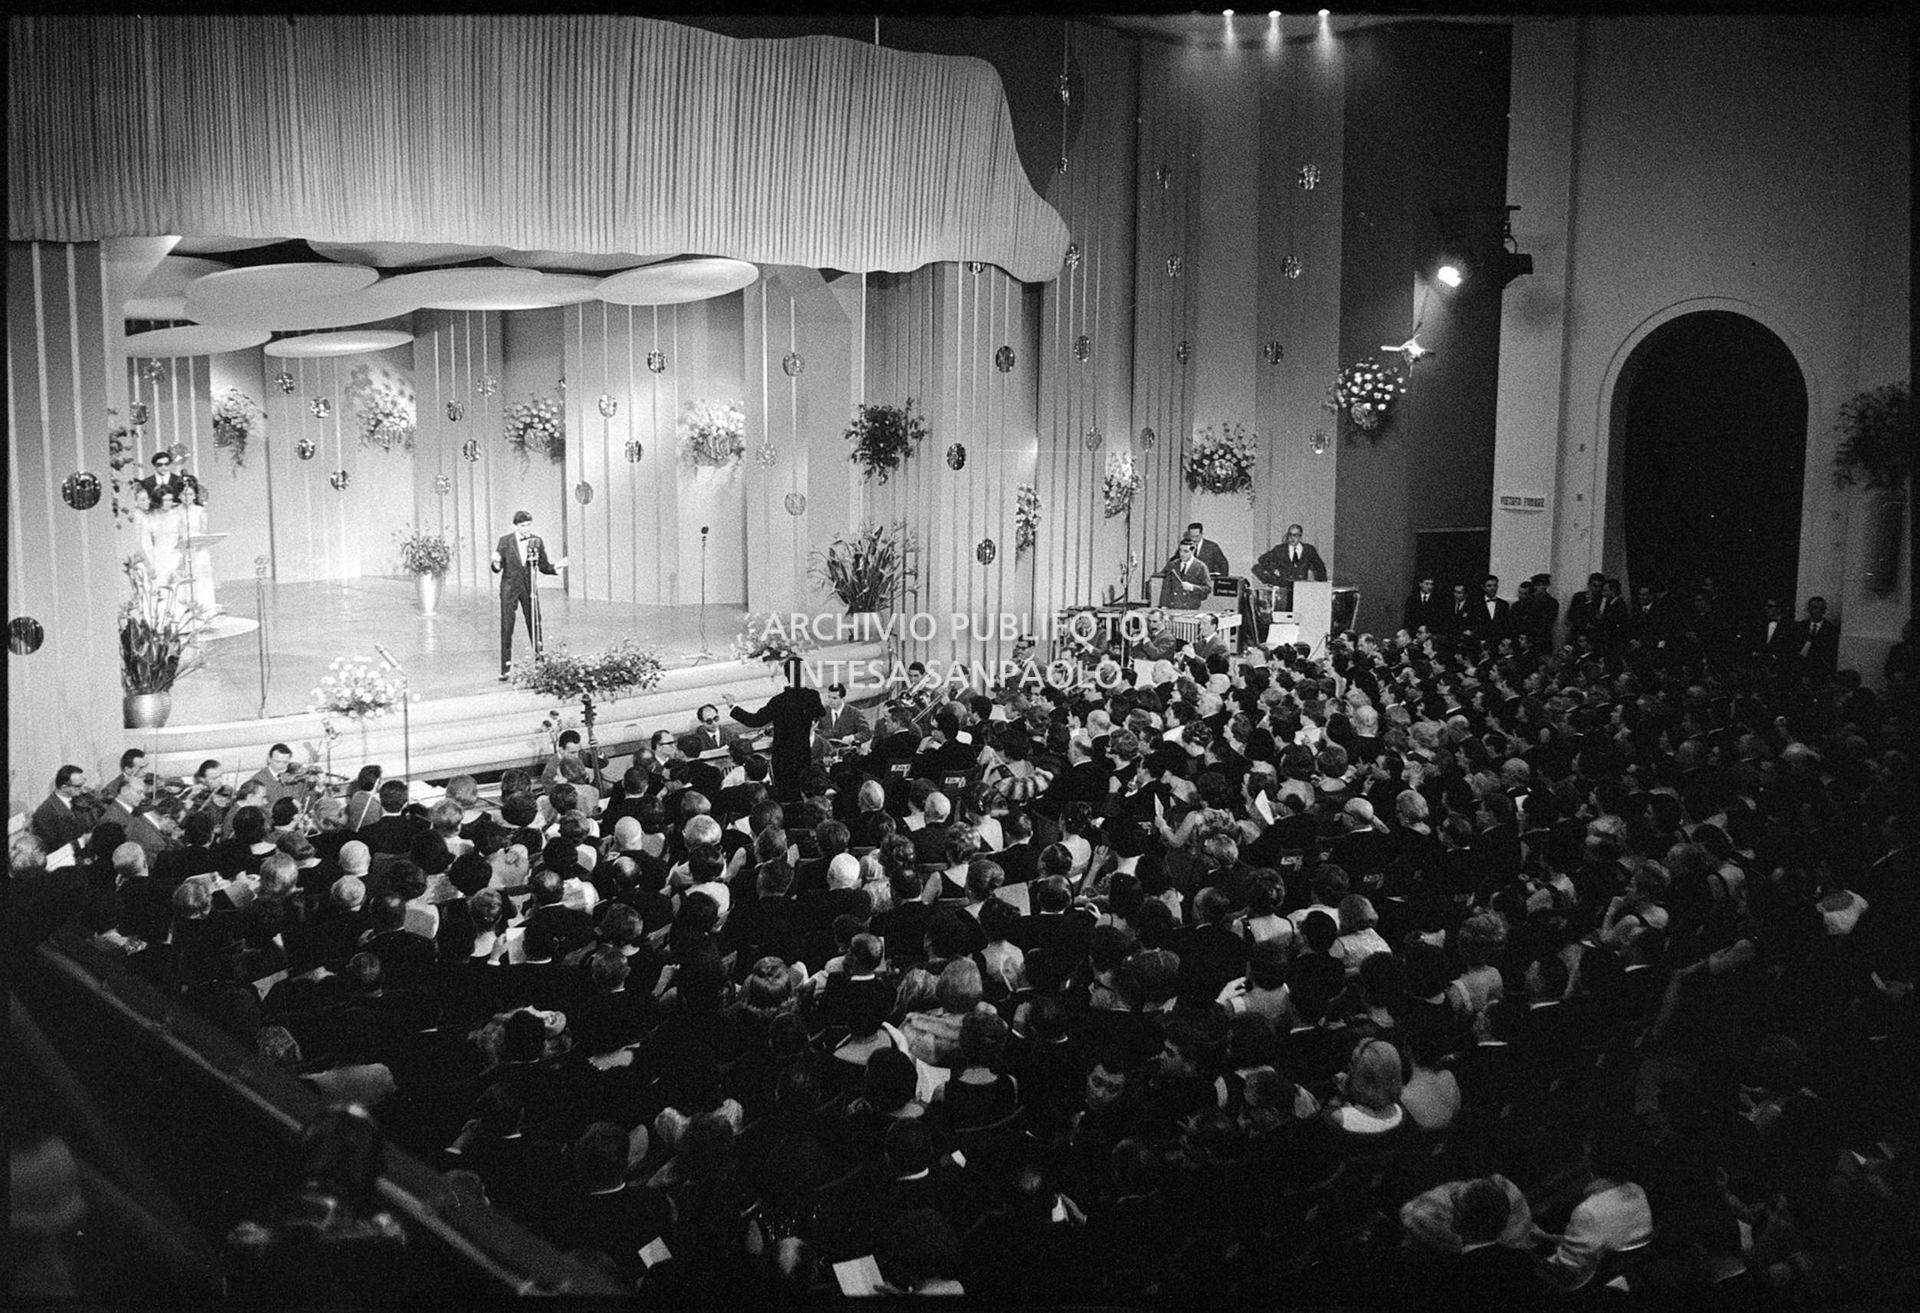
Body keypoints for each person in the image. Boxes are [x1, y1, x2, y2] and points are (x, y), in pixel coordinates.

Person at [724, 657, 825, 802]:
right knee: (803, 794)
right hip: (803, 754)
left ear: (786, 675)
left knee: (785, 797)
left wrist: (732, 706)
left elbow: (754, 720)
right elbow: (821, 713)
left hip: (782, 758)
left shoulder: (778, 701)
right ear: (804, 674)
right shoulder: (812, 696)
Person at [491, 510, 565, 680]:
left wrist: (556, 567)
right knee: (507, 626)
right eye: (523, 526)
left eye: (529, 525)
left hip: (529, 588)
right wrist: (495, 562)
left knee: (535, 623)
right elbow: (497, 568)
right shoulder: (505, 541)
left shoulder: (537, 541)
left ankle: (540, 664)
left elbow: (544, 566)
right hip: (509, 588)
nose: (526, 528)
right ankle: (505, 669)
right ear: (516, 526)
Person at [32, 765, 92, 855]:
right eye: (78, 786)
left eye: (83, 782)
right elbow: (53, 849)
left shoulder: (77, 797)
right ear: (64, 788)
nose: (83, 789)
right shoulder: (44, 813)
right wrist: (82, 841)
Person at [1253, 523, 1328, 591]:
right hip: (1284, 589)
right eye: (1290, 534)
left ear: (1300, 536)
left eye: (1295, 535)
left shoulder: (1309, 550)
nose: (1292, 538)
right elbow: (1262, 560)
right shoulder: (1280, 549)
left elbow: (1320, 568)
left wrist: (1321, 588)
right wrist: (1274, 578)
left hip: (1302, 589)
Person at [247, 743, 306, 811]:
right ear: (269, 759)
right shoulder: (258, 780)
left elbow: (305, 803)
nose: (281, 766)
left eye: (285, 762)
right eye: (278, 762)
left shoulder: (296, 778)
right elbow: (256, 810)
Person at [1798, 595, 1840, 683]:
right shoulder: (1799, 627)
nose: (1817, 611)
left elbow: (1830, 655)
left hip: (1819, 674)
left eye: (1821, 608)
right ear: (1808, 609)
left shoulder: (1831, 630)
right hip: (1799, 670)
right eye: (1814, 608)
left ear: (1824, 610)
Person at [1159, 539, 1212, 609]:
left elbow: (1207, 588)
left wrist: (1192, 587)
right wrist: (1163, 605)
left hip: (1190, 607)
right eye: (1180, 551)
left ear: (1193, 551)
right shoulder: (1172, 565)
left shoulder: (1201, 566)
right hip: (1172, 606)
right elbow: (1166, 587)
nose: (1182, 554)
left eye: (1186, 551)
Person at [1401, 574, 1449, 639]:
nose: (1429, 587)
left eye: (1431, 584)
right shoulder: (1412, 599)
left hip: (1431, 635)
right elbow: (1408, 617)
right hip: (1414, 634)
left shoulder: (1439, 600)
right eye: (1427, 584)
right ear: (1420, 584)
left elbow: (1440, 619)